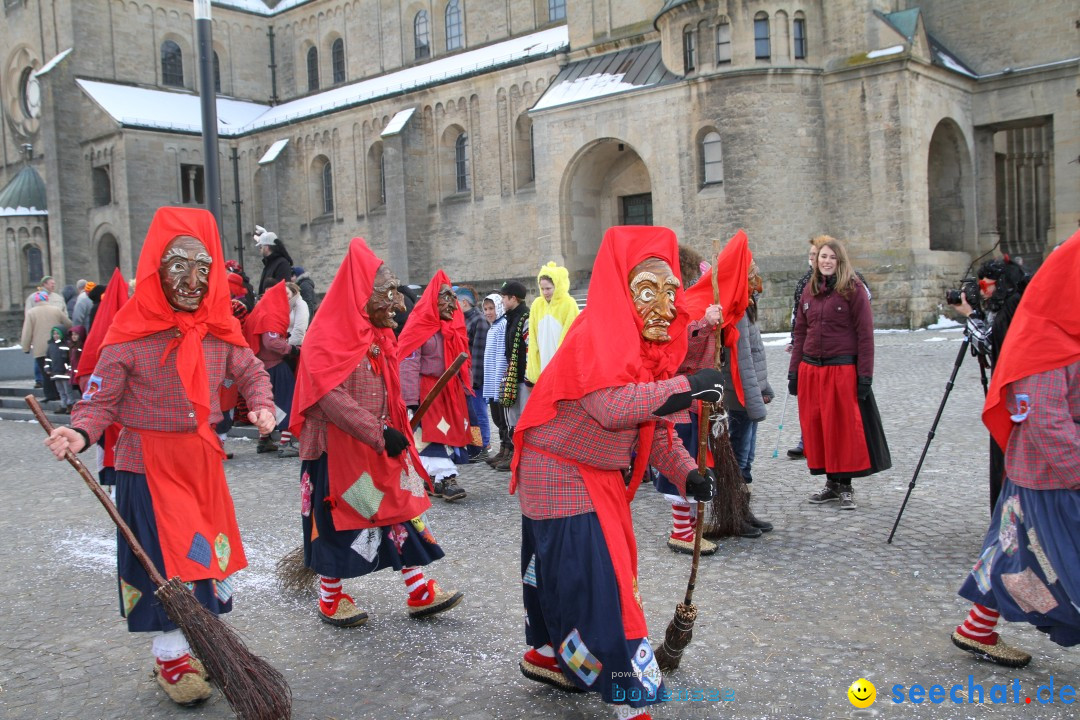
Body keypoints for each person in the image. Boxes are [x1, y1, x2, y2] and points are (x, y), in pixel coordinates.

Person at [43, 207, 276, 707]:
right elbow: (98, 399)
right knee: (161, 563)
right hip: (146, 463)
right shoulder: (132, 332)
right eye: (178, 267)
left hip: (201, 460)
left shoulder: (218, 328)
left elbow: (251, 369)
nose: (193, 281)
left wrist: (260, 404)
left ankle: (200, 642)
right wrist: (80, 435)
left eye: (203, 270)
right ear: (155, 269)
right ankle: (170, 656)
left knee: (200, 555)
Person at [511, 225, 720, 720]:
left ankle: (553, 654)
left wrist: (687, 473)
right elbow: (612, 405)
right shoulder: (596, 335)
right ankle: (631, 697)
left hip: (596, 472)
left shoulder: (647, 349)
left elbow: (656, 427)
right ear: (623, 290)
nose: (664, 307)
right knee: (599, 584)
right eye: (648, 291)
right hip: (560, 473)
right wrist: (689, 387)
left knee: (569, 575)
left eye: (670, 292)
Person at [291, 237, 463, 626]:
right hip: (338, 456)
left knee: (402, 509)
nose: (399, 304)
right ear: (360, 294)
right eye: (387, 293)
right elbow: (327, 397)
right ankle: (330, 598)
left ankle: (419, 590)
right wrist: (376, 431)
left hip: (380, 447)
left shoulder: (378, 334)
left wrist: (397, 431)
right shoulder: (325, 337)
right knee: (346, 521)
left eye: (397, 292)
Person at [951, 229, 1080, 669]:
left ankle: (977, 627)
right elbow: (1046, 420)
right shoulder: (1049, 338)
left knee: (1006, 549)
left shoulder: (1064, 329)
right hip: (1051, 477)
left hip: (1033, 477)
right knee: (1052, 563)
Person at [789, 237, 890, 510]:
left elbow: (865, 336)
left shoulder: (853, 290)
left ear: (840, 260)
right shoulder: (809, 291)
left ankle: (846, 485)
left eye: (832, 257)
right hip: (812, 369)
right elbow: (800, 332)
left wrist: (865, 376)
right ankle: (831, 484)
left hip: (841, 369)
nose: (826, 261)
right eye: (822, 256)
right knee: (819, 427)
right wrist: (794, 372)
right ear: (816, 260)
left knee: (842, 429)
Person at [950, 256, 1027, 511]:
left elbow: (991, 345)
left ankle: (1009, 514)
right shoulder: (1008, 303)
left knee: (1009, 453)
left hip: (1015, 391)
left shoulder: (1012, 306)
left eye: (986, 285)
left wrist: (971, 316)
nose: (983, 291)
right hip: (1012, 388)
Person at [398, 272, 472, 502]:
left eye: (453, 298)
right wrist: (410, 400)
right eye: (445, 298)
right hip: (427, 389)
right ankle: (447, 478)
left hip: (449, 390)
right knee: (432, 435)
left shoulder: (452, 328)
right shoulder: (418, 325)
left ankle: (436, 480)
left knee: (449, 433)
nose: (452, 304)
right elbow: (408, 362)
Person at [723, 265, 774, 532]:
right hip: (740, 396)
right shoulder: (738, 311)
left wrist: (764, 387)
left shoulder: (748, 306)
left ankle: (744, 511)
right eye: (751, 272)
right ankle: (736, 515)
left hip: (750, 392)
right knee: (739, 458)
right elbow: (741, 360)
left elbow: (756, 354)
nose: (757, 278)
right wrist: (756, 394)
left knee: (748, 456)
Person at [244, 282, 297, 457]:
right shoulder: (270, 315)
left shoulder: (259, 311)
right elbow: (271, 342)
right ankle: (285, 443)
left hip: (261, 363)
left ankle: (264, 439)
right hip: (274, 364)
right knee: (287, 402)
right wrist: (291, 350)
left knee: (267, 404)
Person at [495, 280, 530, 471]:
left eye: (503, 297)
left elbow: (528, 350)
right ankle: (515, 454)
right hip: (514, 375)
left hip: (522, 378)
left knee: (522, 418)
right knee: (513, 418)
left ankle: (522, 457)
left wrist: (526, 377)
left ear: (513, 298)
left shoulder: (525, 318)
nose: (501, 301)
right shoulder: (511, 317)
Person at [525, 261, 579, 383]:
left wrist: (562, 362)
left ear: (558, 286)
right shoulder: (537, 305)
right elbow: (533, 338)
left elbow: (571, 336)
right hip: (543, 364)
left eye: (548, 288)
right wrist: (533, 365)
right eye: (542, 288)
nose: (545, 292)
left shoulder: (569, 304)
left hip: (562, 366)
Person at [455, 286, 491, 460]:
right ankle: (475, 446)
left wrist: (474, 380)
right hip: (466, 375)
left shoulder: (479, 320)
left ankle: (483, 445)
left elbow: (479, 353)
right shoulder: (463, 319)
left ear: (464, 302)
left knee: (479, 413)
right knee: (471, 414)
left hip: (475, 376)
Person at [21, 300, 71, 402]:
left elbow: (27, 331)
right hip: (56, 345)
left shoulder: (31, 313)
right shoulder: (56, 310)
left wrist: (25, 347)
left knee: (45, 372)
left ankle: (50, 394)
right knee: (58, 369)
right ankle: (62, 393)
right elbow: (68, 324)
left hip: (40, 347)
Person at [482, 293, 511, 468]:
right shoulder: (492, 328)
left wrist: (499, 382)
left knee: (503, 418)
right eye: (485, 309)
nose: (488, 312)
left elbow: (501, 356)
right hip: (491, 381)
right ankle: (502, 448)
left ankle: (508, 449)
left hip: (498, 381)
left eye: (491, 308)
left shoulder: (502, 326)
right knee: (497, 418)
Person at [43, 325, 76, 412]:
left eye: (58, 333)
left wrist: (68, 369)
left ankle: (71, 403)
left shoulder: (67, 344)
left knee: (67, 390)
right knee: (60, 390)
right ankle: (63, 405)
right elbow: (48, 358)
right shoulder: (51, 345)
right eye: (54, 334)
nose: (56, 335)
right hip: (55, 372)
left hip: (65, 372)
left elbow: (70, 359)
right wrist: (47, 368)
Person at [254, 224, 293, 296]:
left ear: (267, 247)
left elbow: (283, 288)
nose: (260, 248)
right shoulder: (269, 264)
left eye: (261, 246)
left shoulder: (282, 264)